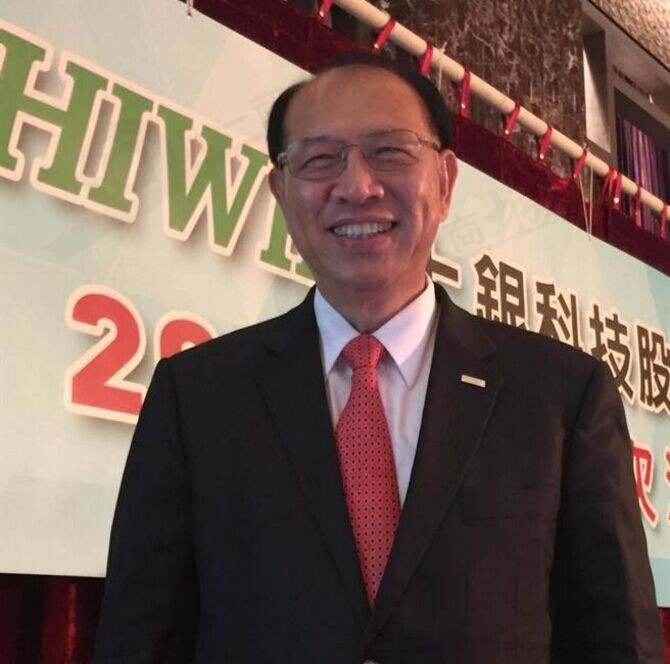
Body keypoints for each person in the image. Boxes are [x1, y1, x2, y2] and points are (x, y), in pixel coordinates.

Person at [93, 53, 664, 663]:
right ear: (281, 192)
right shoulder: (198, 396)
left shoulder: (561, 395)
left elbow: (616, 644)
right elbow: (140, 640)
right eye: (320, 160)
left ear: (445, 181)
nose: (357, 187)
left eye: (389, 152)